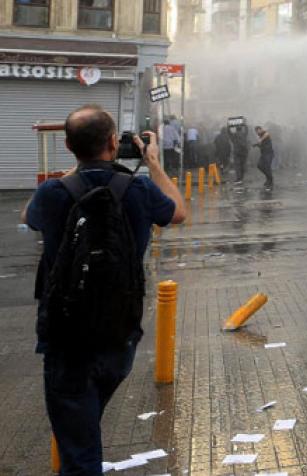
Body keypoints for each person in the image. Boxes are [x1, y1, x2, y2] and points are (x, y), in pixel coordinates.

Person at [21, 105, 186, 475]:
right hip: (119, 336)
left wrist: (74, 172)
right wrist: (153, 161)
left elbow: (27, 216)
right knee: (83, 430)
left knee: (79, 451)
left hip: (67, 341)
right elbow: (177, 212)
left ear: (67, 145)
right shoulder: (139, 188)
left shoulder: (52, 192)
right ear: (114, 142)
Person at [253, 126, 275, 191]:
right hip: (263, 154)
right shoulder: (260, 136)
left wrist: (260, 140)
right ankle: (269, 178)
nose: (257, 132)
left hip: (269, 154)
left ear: (261, 129)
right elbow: (262, 145)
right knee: (259, 165)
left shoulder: (265, 133)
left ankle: (270, 181)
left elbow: (267, 134)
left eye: (258, 131)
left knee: (267, 167)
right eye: (256, 132)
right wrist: (256, 145)